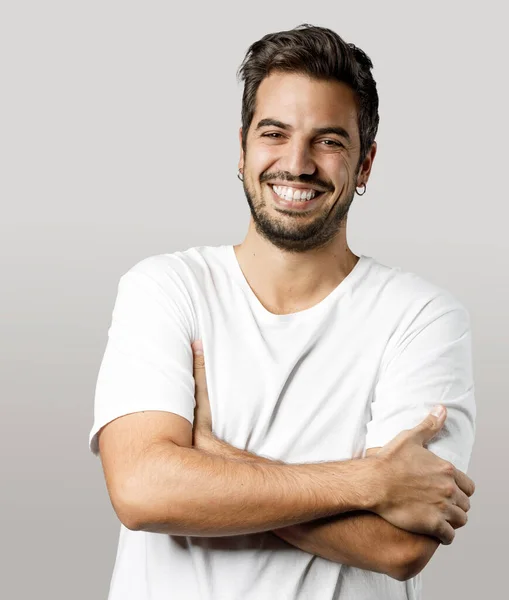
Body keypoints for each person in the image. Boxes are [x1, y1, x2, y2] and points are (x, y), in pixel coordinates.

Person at [89, 24, 476, 600]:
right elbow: (144, 492)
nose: (297, 164)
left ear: (365, 165)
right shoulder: (167, 288)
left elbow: (400, 549)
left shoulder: (421, 318)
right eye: (275, 133)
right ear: (241, 149)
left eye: (329, 141)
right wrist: (370, 481)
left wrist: (210, 460)